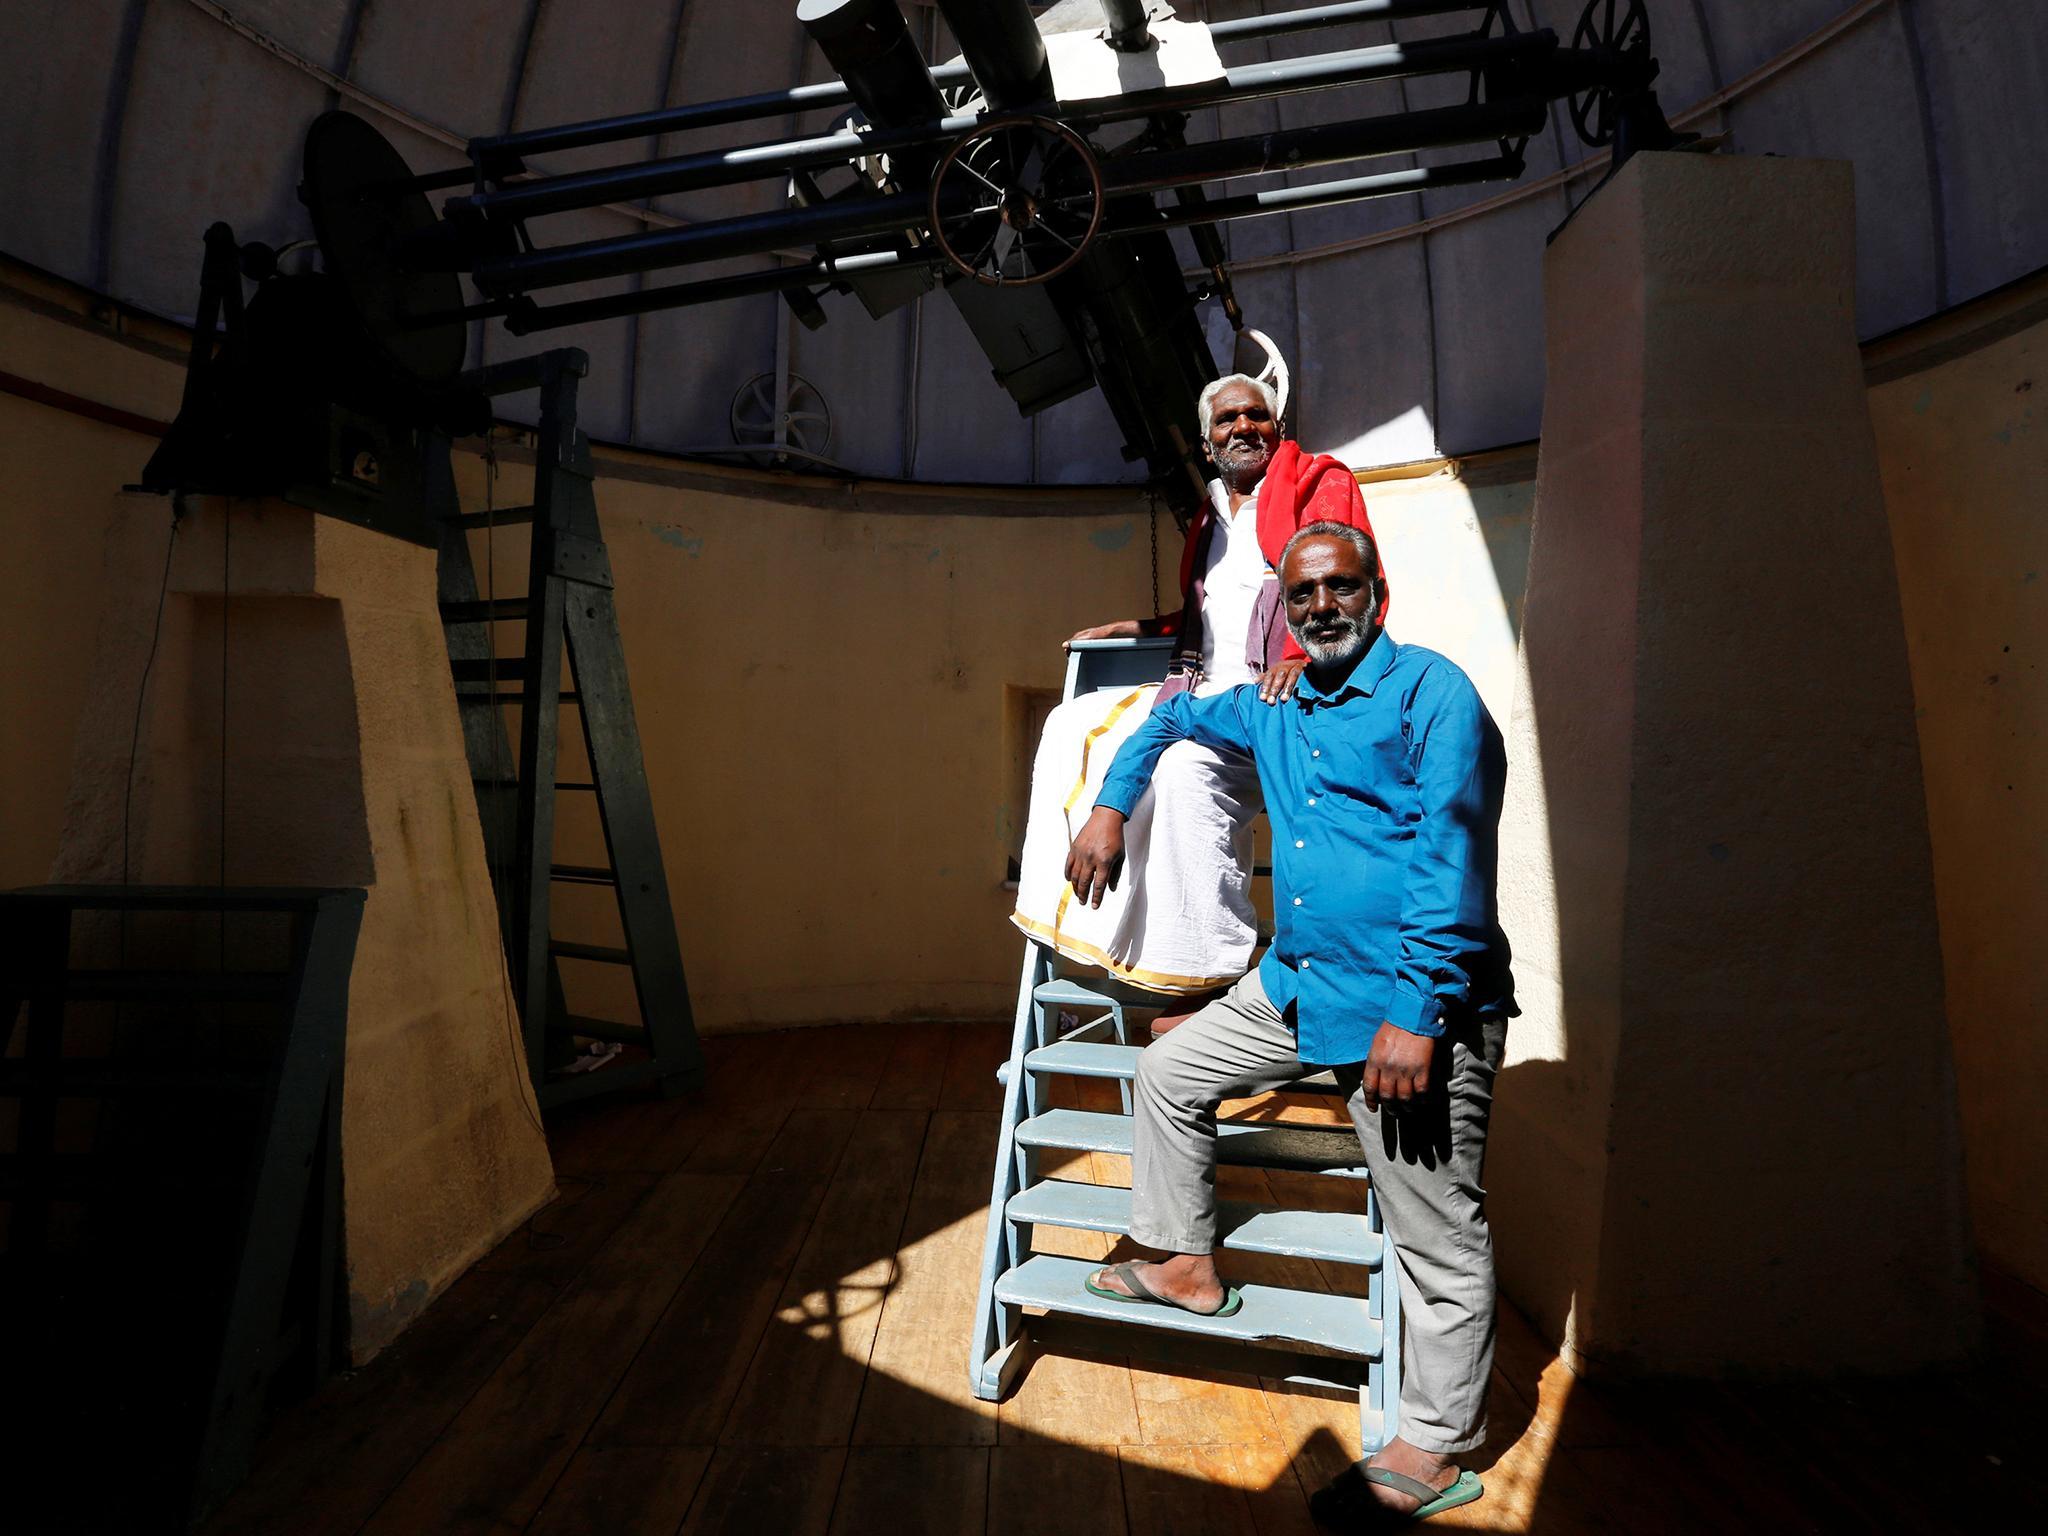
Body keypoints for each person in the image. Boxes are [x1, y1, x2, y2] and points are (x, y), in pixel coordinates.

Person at [1064, 522, 1514, 1528]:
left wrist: (1417, 1014)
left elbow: (1450, 856)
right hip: (1298, 983)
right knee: (1171, 1073)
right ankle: (1180, 1259)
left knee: (1433, 1233)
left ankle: (1435, 1447)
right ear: (1284, 611)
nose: (1320, 608)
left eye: (1336, 588)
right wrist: (1110, 808)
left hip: (1408, 1011)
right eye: (1299, 595)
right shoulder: (1275, 703)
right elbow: (1170, 716)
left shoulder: (1429, 694)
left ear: (1376, 594)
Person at [1010, 373, 1384, 1028]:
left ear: (1278, 427)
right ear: (1208, 442)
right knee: (1069, 723)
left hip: (1275, 698)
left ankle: (1207, 973)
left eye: (1255, 415)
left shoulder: (1317, 480)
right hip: (1199, 689)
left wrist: (1304, 658)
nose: (1243, 427)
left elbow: (1357, 585)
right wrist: (1136, 628)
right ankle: (1088, 921)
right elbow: (1210, 614)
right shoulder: (1210, 512)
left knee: (1181, 771)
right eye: (1226, 419)